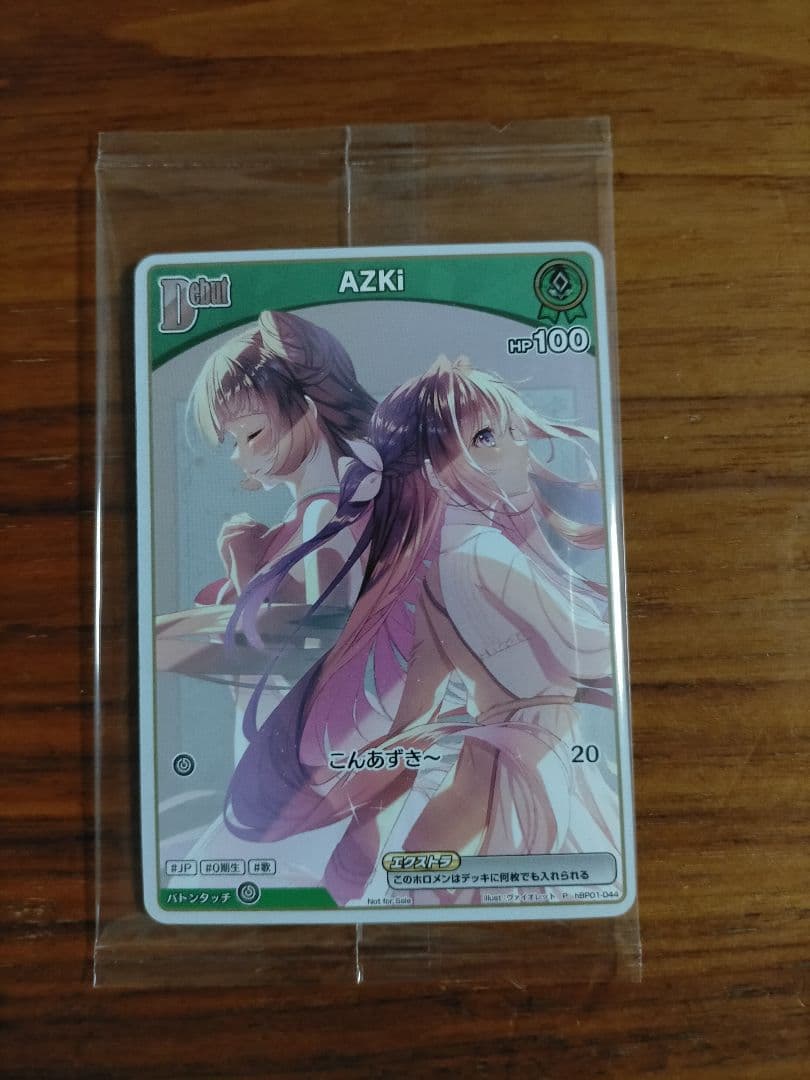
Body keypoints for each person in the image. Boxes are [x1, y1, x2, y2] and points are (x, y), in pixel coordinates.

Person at [224, 356, 619, 905]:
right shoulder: (483, 553)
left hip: (497, 760)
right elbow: (593, 655)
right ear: (433, 470)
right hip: (530, 761)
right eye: (486, 437)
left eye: (514, 432)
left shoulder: (433, 563)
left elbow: (418, 688)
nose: (517, 449)